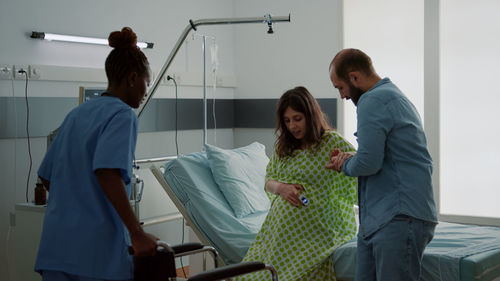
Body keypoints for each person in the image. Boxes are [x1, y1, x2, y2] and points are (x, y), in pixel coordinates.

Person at [35, 27, 158, 281]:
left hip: (57, 249)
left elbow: (47, 176)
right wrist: (136, 233)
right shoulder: (123, 115)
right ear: (133, 78)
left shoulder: (76, 114)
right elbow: (107, 172)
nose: (146, 91)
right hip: (96, 255)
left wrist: (76, 204)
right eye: (147, 82)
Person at [327, 48, 438, 281]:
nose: (342, 95)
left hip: (397, 215)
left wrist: (344, 165)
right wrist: (351, 158)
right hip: (380, 218)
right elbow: (385, 155)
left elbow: (368, 164)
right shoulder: (392, 95)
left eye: (340, 87)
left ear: (355, 77)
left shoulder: (372, 100)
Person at [238, 86, 358, 281]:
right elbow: (268, 181)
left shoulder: (331, 142)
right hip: (280, 231)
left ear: (310, 115)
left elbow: (361, 165)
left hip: (323, 225)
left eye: (297, 119)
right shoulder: (283, 145)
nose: (292, 126)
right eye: (287, 121)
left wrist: (346, 160)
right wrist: (282, 188)